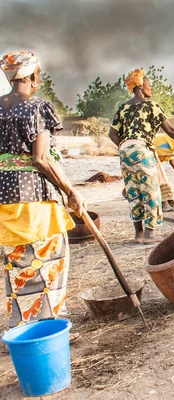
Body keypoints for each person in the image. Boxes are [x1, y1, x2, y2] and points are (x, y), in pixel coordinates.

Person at [0, 51, 86, 329]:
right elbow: (42, 158)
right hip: (33, 199)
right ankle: (47, 326)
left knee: (17, 266)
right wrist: (71, 191)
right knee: (49, 261)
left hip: (5, 200)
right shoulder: (37, 106)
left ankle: (19, 326)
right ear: (32, 76)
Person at [108, 68, 174, 244]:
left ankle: (138, 234)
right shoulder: (151, 106)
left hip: (125, 152)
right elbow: (170, 130)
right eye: (149, 85)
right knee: (151, 191)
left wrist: (127, 147)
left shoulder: (123, 108)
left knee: (134, 191)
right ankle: (149, 235)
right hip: (142, 150)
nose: (151, 89)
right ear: (140, 86)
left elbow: (112, 134)